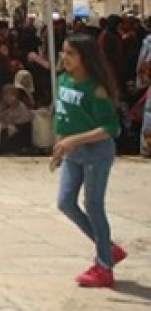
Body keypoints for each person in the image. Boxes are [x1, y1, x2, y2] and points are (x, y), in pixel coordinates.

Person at [53, 32, 127, 289]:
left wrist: (75, 140)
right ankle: (108, 247)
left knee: (93, 205)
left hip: (96, 152)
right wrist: (60, 144)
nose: (65, 58)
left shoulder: (96, 89)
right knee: (65, 202)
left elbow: (110, 128)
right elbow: (63, 116)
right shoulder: (63, 80)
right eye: (64, 52)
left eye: (71, 53)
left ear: (85, 57)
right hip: (72, 152)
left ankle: (104, 266)